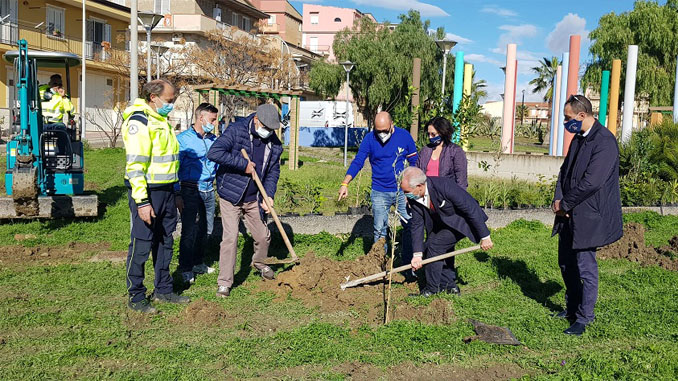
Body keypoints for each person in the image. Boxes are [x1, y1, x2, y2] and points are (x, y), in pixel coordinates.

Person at [551, 94, 622, 336]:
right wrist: (558, 200)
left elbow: (592, 182)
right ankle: (571, 308)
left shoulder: (604, 142)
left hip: (589, 215)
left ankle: (584, 317)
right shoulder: (579, 138)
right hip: (568, 213)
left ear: (582, 115)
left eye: (567, 118)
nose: (565, 123)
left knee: (585, 268)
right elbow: (565, 171)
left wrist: (566, 204)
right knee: (566, 263)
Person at [123, 79, 189, 313]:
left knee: (165, 241)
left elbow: (171, 162)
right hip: (148, 192)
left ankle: (163, 289)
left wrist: (177, 191)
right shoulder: (139, 122)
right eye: (169, 100)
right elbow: (136, 167)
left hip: (168, 191)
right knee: (142, 244)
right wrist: (142, 202)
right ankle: (137, 295)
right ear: (154, 97)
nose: (171, 104)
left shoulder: (160, 120)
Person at [207, 104, 283, 298]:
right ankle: (224, 282)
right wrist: (243, 165)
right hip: (231, 195)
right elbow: (214, 153)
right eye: (266, 127)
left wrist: (269, 195)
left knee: (263, 236)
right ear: (257, 119)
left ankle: (259, 263)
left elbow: (273, 171)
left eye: (272, 129)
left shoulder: (274, 144)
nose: (269, 132)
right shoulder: (236, 131)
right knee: (231, 238)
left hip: (254, 197)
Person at [338, 111, 418, 276]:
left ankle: (410, 265)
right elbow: (358, 161)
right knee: (379, 230)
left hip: (402, 191)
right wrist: (345, 183)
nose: (381, 134)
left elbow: (414, 161)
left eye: (384, 130)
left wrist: (413, 188)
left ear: (392, 125)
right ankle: (379, 266)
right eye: (378, 131)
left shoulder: (404, 136)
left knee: (410, 225)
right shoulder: (369, 138)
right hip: (379, 191)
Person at [401, 167, 493, 296]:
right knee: (434, 248)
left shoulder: (444, 185)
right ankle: (449, 285)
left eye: (407, 191)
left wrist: (485, 236)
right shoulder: (413, 197)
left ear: (420, 186)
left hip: (460, 223)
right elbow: (417, 225)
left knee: (435, 247)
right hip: (439, 224)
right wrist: (417, 254)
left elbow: (470, 207)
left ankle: (432, 289)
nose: (405, 195)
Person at [175, 103, 219, 285]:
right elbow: (175, 167)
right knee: (189, 230)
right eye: (212, 119)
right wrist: (177, 193)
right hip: (190, 189)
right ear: (201, 118)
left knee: (206, 229)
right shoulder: (183, 140)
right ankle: (185, 268)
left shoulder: (213, 139)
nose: (215, 123)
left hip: (209, 189)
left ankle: (198, 262)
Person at [416, 116, 468, 189]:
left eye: (433, 134)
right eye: (428, 134)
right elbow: (417, 171)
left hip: (447, 194)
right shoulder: (425, 150)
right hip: (426, 194)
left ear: (442, 133)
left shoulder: (455, 151)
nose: (430, 137)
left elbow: (461, 180)